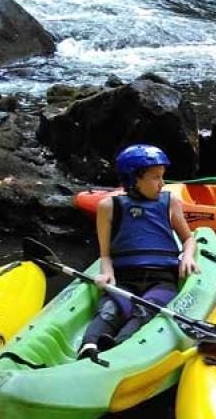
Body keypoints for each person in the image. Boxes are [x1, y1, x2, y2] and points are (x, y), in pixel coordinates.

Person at [78, 144, 198, 359]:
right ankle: (89, 346)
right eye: (155, 178)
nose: (162, 184)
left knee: (145, 310)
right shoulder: (109, 206)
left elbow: (188, 239)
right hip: (124, 279)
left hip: (162, 279)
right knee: (110, 310)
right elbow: (105, 254)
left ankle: (117, 347)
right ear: (133, 179)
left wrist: (187, 255)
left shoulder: (170, 202)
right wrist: (107, 272)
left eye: (162, 177)